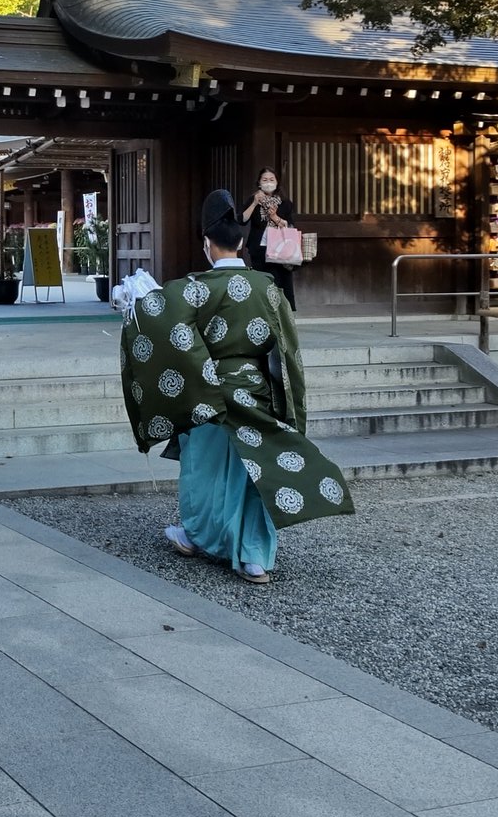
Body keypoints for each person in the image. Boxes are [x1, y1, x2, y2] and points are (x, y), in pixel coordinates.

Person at [119, 189, 353, 584]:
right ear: (244, 242)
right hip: (255, 391)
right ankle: (254, 557)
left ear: (207, 244)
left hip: (207, 393)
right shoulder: (268, 289)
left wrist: (133, 302)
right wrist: (285, 402)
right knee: (255, 472)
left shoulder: (194, 288)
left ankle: (196, 536)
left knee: (203, 468)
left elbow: (156, 320)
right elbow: (286, 353)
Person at [241, 165, 298, 311]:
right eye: (265, 179)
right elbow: (242, 219)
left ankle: (282, 313)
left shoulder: (285, 203)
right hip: (259, 250)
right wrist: (254, 203)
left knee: (280, 283)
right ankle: (264, 311)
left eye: (271, 179)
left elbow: (289, 225)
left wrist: (274, 217)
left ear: (277, 182)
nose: (268, 182)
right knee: (263, 282)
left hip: (280, 250)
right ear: (259, 183)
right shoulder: (253, 200)